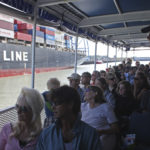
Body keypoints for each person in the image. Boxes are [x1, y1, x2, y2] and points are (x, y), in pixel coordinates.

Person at [36, 85, 101, 150]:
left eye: (57, 103)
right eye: (52, 104)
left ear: (70, 104)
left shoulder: (90, 134)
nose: (53, 107)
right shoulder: (46, 134)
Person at [81, 86, 118, 150]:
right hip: (87, 138)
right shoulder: (83, 106)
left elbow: (116, 128)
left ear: (95, 93)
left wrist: (102, 132)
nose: (85, 92)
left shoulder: (106, 107)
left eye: (87, 90)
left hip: (103, 138)